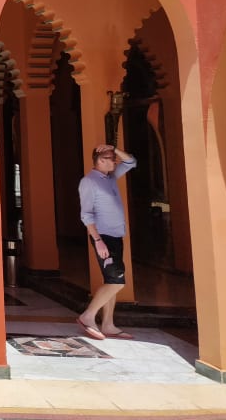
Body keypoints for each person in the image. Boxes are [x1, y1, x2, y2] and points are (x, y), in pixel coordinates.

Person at [76, 143, 137, 341]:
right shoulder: (89, 182)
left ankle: (108, 324)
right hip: (103, 237)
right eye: (111, 158)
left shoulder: (110, 178)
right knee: (117, 281)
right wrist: (98, 241)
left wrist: (116, 148)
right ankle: (88, 316)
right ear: (101, 161)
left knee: (111, 280)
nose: (115, 161)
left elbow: (131, 162)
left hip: (116, 236)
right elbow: (86, 215)